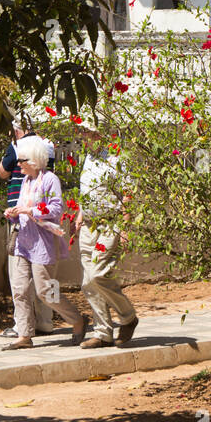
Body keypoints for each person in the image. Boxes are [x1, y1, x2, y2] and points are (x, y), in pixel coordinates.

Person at [2, 135, 88, 350]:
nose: (18, 164)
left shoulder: (50, 180)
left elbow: (57, 209)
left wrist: (30, 210)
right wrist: (13, 213)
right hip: (23, 240)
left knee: (46, 290)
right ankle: (24, 334)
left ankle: (77, 319)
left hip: (42, 243)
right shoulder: (25, 181)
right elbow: (22, 209)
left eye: (21, 161)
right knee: (19, 289)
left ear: (33, 161)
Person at [73, 132, 138, 349]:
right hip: (88, 227)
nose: (82, 136)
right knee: (87, 282)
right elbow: (88, 190)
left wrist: (125, 228)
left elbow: (128, 193)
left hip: (109, 225)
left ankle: (128, 317)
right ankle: (103, 333)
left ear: (98, 133)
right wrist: (80, 214)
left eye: (87, 132)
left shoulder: (116, 158)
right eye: (81, 132)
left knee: (98, 274)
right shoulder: (88, 157)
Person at [0, 117, 57, 338]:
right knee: (47, 274)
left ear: (17, 129)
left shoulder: (17, 146)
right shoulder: (48, 144)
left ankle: (21, 325)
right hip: (45, 217)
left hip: (21, 217)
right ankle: (46, 320)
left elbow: (2, 171)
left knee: (19, 275)